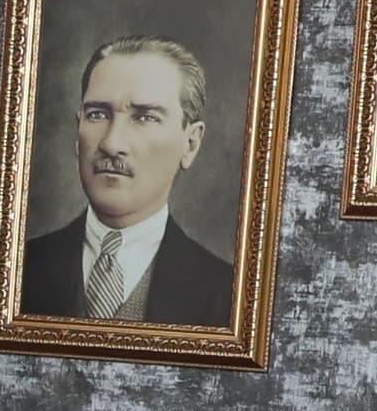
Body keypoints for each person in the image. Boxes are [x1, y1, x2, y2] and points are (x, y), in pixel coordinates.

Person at [15, 36, 241, 328]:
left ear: (190, 144)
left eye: (145, 117)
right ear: (77, 131)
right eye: (97, 115)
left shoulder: (229, 297)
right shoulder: (16, 269)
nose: (112, 143)